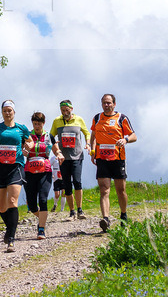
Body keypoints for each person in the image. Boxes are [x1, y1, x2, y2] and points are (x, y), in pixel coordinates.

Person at [0, 99, 32, 252]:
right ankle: (10, 228)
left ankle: (11, 238)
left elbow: (30, 142)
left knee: (13, 201)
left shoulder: (21, 128)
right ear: (2, 112)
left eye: (10, 110)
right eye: (5, 111)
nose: (7, 113)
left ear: (14, 112)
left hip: (16, 166)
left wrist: (28, 146)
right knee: (2, 207)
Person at [89, 93, 137, 232]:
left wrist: (125, 140)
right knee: (104, 190)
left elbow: (134, 136)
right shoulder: (97, 118)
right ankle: (106, 219)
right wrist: (93, 151)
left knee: (120, 190)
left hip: (118, 158)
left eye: (109, 103)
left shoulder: (121, 118)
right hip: (102, 159)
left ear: (114, 104)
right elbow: (93, 135)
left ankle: (123, 214)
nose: (106, 105)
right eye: (104, 102)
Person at [50, 99, 91, 221]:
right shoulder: (57, 121)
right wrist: (56, 148)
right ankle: (72, 211)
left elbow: (87, 133)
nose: (65, 112)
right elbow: (51, 136)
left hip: (77, 155)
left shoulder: (79, 120)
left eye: (66, 110)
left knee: (77, 182)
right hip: (63, 158)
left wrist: (88, 144)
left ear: (71, 109)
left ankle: (80, 209)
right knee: (67, 184)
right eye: (62, 110)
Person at [23, 111, 53, 239]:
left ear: (43, 124)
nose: (37, 126)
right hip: (29, 172)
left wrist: (59, 154)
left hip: (45, 171)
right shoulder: (27, 136)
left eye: (39, 124)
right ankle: (42, 218)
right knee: (32, 204)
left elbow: (56, 148)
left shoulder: (48, 136)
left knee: (43, 199)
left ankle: (41, 229)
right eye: (35, 124)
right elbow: (21, 150)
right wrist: (24, 151)